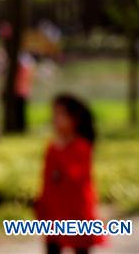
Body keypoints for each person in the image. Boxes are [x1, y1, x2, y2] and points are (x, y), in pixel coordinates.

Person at [36, 94, 104, 254]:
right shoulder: (52, 147)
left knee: (81, 248)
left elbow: (75, 176)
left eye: (61, 114)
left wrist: (61, 153)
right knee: (53, 247)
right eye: (54, 114)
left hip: (77, 211)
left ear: (75, 119)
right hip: (54, 210)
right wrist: (41, 205)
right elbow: (47, 180)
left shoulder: (81, 146)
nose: (55, 119)